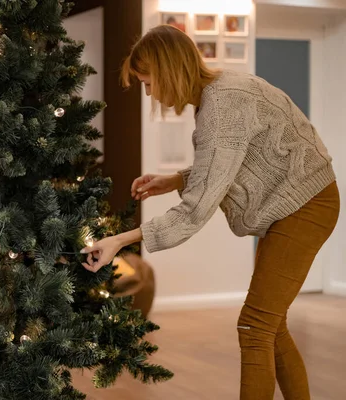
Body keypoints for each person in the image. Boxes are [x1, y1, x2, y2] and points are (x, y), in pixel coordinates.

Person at [81, 25, 339, 400]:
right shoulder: (220, 93)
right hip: (297, 204)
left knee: (254, 327)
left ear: (168, 70)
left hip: (306, 205)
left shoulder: (221, 106)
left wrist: (120, 240)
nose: (149, 92)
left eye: (148, 82)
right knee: (270, 325)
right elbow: (225, 167)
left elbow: (196, 209)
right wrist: (174, 179)